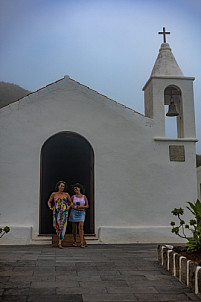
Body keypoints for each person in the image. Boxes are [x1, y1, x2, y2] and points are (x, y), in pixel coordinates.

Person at [47, 181, 71, 249]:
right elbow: (49, 201)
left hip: (64, 211)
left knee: (62, 226)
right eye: (61, 186)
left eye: (63, 186)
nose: (62, 187)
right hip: (56, 212)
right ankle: (60, 240)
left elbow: (70, 202)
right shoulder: (54, 194)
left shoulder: (66, 194)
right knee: (57, 225)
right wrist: (50, 207)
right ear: (58, 186)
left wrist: (68, 207)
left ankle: (60, 243)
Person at [69, 183, 89, 248]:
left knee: (81, 227)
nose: (76, 189)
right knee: (74, 228)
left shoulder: (84, 196)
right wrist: (71, 205)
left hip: (81, 212)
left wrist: (81, 206)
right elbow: (69, 203)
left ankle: (81, 242)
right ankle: (75, 241)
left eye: (77, 188)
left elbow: (87, 205)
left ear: (80, 188)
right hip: (74, 212)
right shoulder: (73, 197)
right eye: (75, 188)